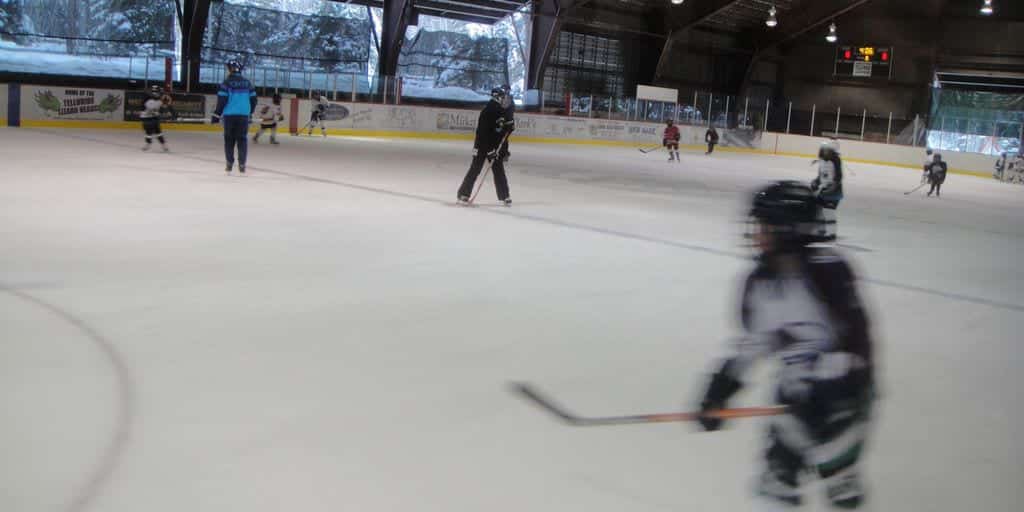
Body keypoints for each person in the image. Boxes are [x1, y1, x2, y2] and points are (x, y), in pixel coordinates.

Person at [694, 180, 876, 510]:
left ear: (787, 228)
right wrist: (719, 389)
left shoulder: (829, 273)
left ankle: (841, 480)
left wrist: (830, 389)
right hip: (792, 396)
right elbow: (752, 344)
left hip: (842, 402)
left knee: (837, 478)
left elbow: (858, 347)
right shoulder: (759, 283)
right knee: (775, 483)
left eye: (763, 225)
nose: (756, 233)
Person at [457, 87, 515, 206]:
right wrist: (489, 150)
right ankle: (464, 193)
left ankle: (505, 195)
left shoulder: (503, 110)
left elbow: (503, 132)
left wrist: (509, 128)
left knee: (499, 170)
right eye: (503, 97)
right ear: (497, 97)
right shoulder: (487, 111)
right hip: (482, 146)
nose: (505, 99)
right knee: (475, 169)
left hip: (495, 146)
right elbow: (483, 133)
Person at [212, 60, 257, 174]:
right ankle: (242, 164)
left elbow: (222, 101)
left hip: (229, 116)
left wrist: (216, 115)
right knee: (242, 140)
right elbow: (254, 100)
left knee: (229, 140)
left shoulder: (226, 83)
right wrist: (250, 112)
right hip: (243, 116)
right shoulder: (248, 83)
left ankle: (229, 163)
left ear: (229, 69)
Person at [810, 140, 843, 241]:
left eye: (827, 150)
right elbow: (820, 177)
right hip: (823, 191)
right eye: (823, 150)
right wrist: (815, 182)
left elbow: (838, 178)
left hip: (833, 192)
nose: (825, 152)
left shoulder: (835, 161)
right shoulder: (822, 162)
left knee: (829, 212)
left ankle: (831, 234)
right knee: (818, 210)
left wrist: (832, 188)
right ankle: (821, 230)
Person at [139, 85, 169, 152]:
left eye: (156, 92)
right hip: (147, 118)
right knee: (149, 132)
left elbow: (162, 108)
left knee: (158, 132)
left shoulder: (159, 100)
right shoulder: (147, 100)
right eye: (154, 92)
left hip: (153, 118)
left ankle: (163, 145)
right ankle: (149, 143)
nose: (155, 93)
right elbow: (146, 107)